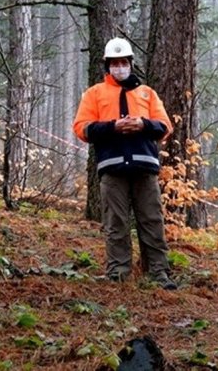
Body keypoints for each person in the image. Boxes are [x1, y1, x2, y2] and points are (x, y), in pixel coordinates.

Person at [73, 37, 176, 290]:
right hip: (112, 167)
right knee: (115, 222)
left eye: (123, 62)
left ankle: (158, 273)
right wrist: (113, 127)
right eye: (115, 63)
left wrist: (143, 124)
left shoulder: (147, 93)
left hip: (144, 167)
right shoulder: (94, 94)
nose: (119, 67)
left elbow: (165, 126)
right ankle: (118, 274)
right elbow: (82, 128)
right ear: (107, 66)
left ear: (130, 63)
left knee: (152, 220)